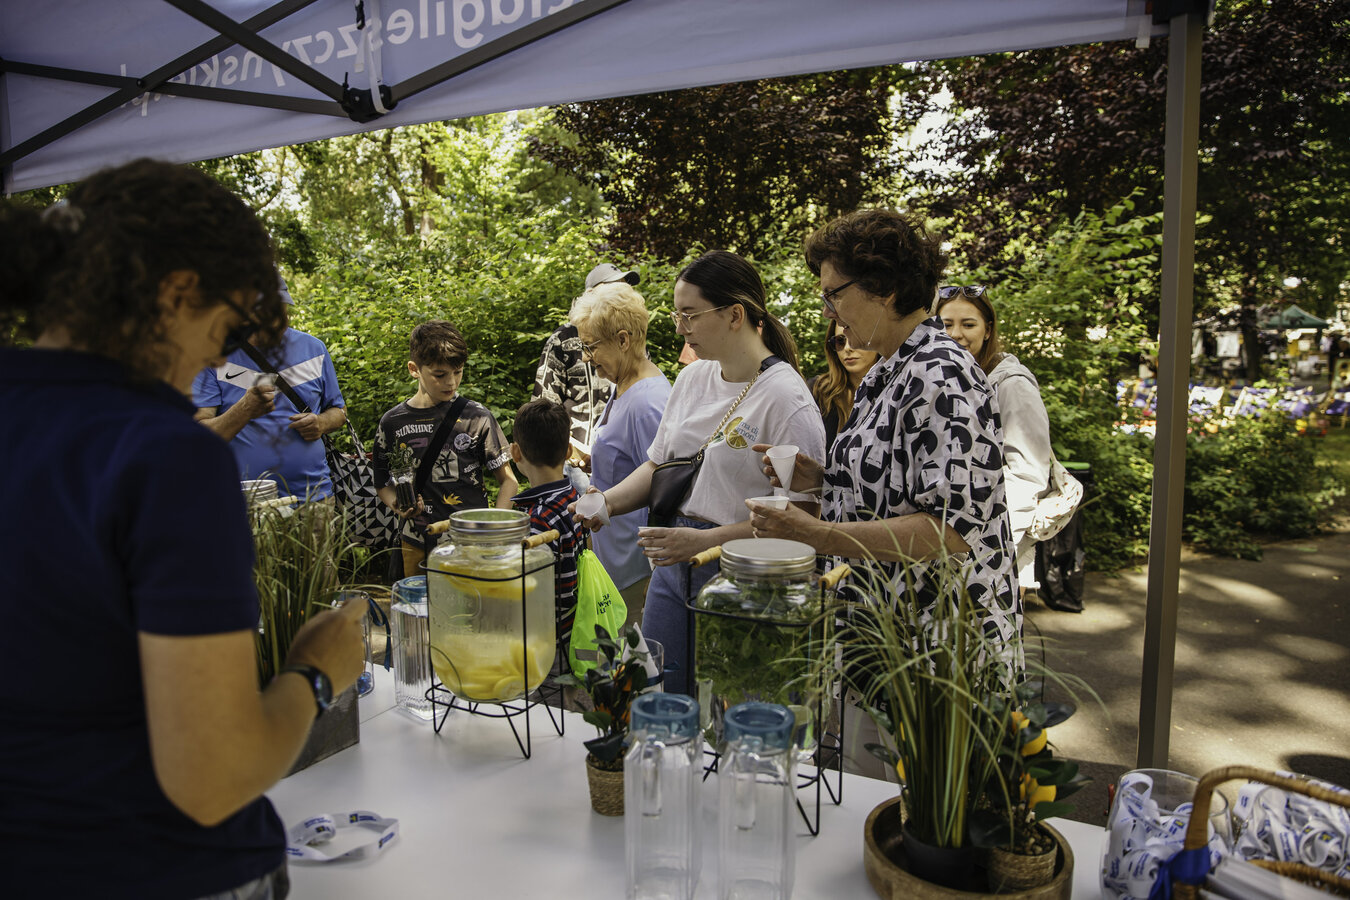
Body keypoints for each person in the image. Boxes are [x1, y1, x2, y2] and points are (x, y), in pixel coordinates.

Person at [0, 159, 365, 897]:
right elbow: (213, 778)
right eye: (230, 328)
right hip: (162, 863)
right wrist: (316, 670)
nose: (222, 356)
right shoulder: (165, 455)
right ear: (176, 293)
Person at [747, 208, 1020, 659]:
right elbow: (899, 487)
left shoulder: (942, 374)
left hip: (937, 644)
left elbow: (949, 530)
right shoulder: (890, 368)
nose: (828, 311)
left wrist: (817, 533)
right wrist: (821, 479)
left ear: (884, 288)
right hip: (886, 628)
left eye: (833, 294)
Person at [575, 250, 826, 695]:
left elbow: (802, 523)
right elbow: (658, 464)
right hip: (674, 564)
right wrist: (606, 502)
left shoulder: (787, 399)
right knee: (659, 692)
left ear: (735, 315)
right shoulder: (693, 379)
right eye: (677, 315)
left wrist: (705, 542)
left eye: (690, 315)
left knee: (734, 704)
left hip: (746, 576)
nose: (679, 328)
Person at [373, 320, 518, 580]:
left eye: (458, 372)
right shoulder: (392, 422)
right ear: (414, 369)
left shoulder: (477, 417)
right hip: (416, 543)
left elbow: (508, 481)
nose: (451, 382)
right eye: (439, 375)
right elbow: (382, 482)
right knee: (421, 605)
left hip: (470, 543)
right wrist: (398, 505)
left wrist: (494, 529)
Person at [938, 284, 1053, 598]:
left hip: (992, 550)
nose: (956, 334)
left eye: (968, 324)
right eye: (946, 324)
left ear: (987, 330)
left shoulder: (1012, 384)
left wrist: (988, 547)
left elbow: (1028, 475)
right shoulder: (950, 379)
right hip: (951, 549)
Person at [568, 279, 672, 626]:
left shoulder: (648, 401)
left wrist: (657, 572)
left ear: (623, 340)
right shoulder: (624, 383)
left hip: (635, 570)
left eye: (591, 346)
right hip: (616, 561)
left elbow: (664, 485)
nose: (586, 357)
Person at [193, 280, 347, 500]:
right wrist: (244, 409)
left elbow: (339, 412)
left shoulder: (314, 349)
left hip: (313, 497)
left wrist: (321, 423)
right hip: (245, 502)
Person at [533, 263, 638, 472]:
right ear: (590, 294)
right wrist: (569, 449)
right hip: (574, 463)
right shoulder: (562, 339)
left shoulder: (630, 339)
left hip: (621, 460)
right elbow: (543, 408)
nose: (622, 295)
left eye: (625, 289)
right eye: (614, 288)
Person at [508, 398, 584, 673]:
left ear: (515, 453)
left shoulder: (537, 518)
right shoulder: (573, 497)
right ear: (568, 450)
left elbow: (527, 592)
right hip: (572, 629)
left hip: (545, 641)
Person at [810, 318, 881, 450]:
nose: (847, 348)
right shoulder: (817, 390)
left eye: (856, 337)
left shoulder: (895, 390)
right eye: (840, 341)